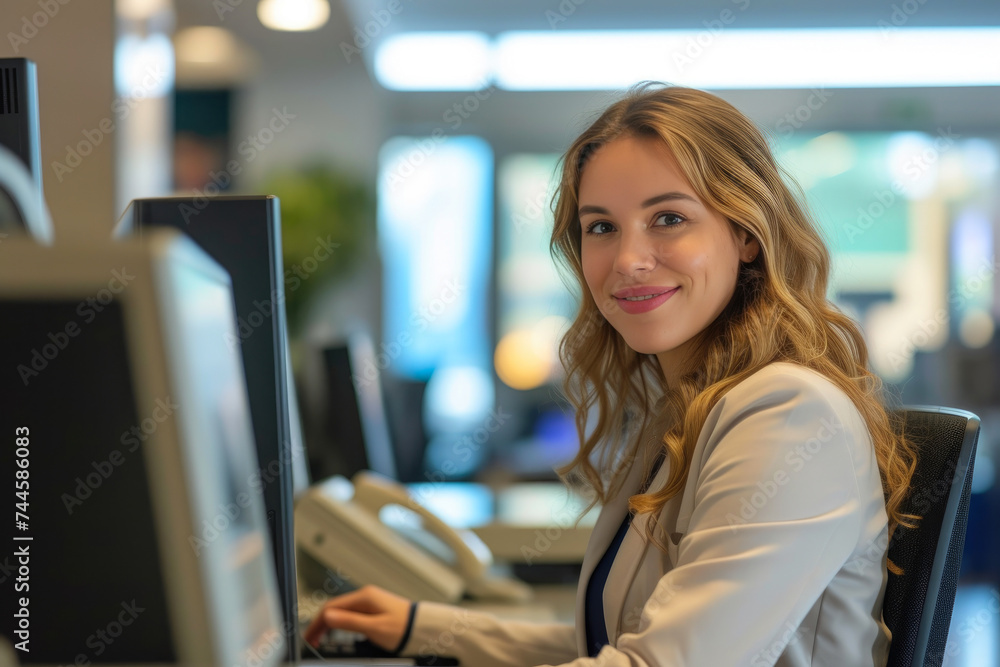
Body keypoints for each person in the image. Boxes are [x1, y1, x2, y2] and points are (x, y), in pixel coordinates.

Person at [303, 83, 919, 666]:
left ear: (746, 233)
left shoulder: (787, 412)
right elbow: (625, 643)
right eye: (601, 227)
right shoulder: (686, 405)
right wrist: (427, 627)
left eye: (669, 218)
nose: (627, 260)